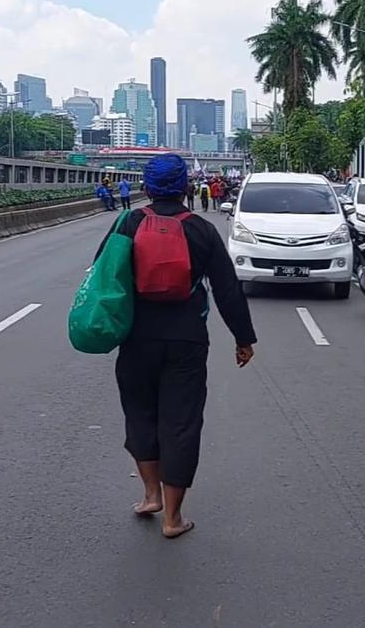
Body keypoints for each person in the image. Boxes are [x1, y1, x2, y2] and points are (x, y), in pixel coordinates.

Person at [95, 153, 256, 539]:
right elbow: (227, 289)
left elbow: (102, 273)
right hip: (187, 339)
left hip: (136, 338)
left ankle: (150, 495)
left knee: (140, 414)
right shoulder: (201, 230)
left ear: (147, 187)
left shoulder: (128, 222)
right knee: (180, 422)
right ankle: (173, 518)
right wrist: (243, 338)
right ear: (185, 186)